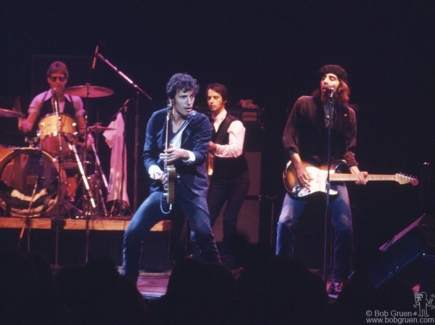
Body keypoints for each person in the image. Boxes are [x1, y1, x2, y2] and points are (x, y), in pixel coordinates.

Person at [276, 64, 368, 297]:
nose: (327, 81)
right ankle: (279, 274)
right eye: (324, 78)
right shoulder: (304, 103)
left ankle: (338, 280)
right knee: (284, 222)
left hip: (333, 171)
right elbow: (288, 136)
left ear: (341, 85)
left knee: (345, 228)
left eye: (333, 78)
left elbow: (348, 150)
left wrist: (356, 170)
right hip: (303, 170)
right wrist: (298, 165)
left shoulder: (348, 114)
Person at [122, 73, 221, 283]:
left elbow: (201, 155)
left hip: (191, 187)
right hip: (163, 187)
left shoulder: (201, 122)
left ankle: (219, 283)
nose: (189, 102)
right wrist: (155, 172)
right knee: (132, 232)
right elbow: (148, 155)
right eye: (184, 97)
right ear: (171, 99)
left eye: (192, 96)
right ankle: (128, 284)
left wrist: (184, 154)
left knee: (203, 234)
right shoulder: (158, 118)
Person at [206, 83, 250, 269]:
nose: (211, 101)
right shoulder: (207, 124)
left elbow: (236, 150)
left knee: (229, 220)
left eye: (215, 97)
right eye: (209, 97)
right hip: (219, 178)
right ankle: (207, 259)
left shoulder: (235, 124)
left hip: (238, 179)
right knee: (206, 218)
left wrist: (214, 148)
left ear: (224, 100)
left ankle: (228, 263)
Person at [18, 61, 86, 137]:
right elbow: (29, 126)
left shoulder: (75, 100)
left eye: (61, 79)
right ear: (49, 80)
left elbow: (82, 129)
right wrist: (23, 125)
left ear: (66, 80)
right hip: (45, 144)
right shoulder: (39, 99)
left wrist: (88, 140)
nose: (58, 82)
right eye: (54, 79)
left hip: (69, 144)